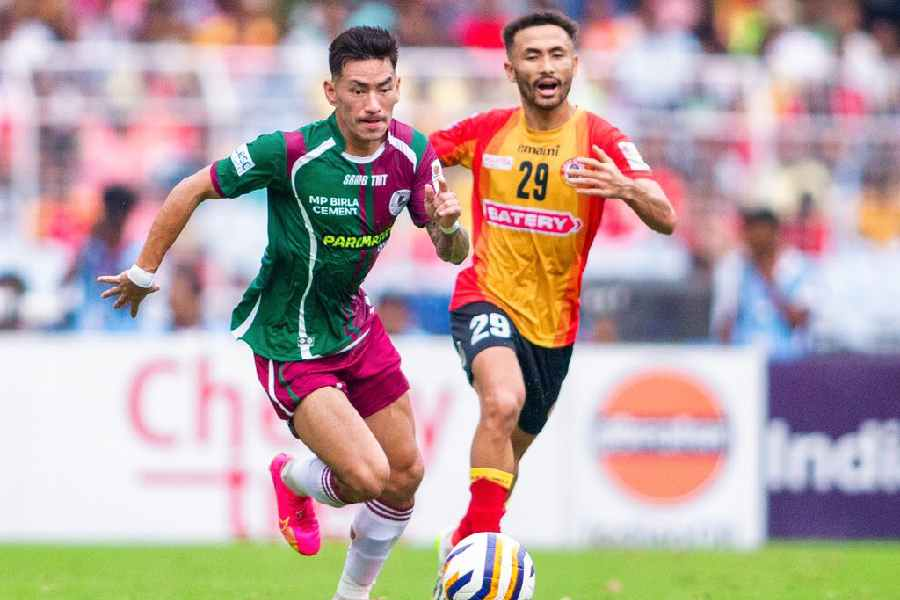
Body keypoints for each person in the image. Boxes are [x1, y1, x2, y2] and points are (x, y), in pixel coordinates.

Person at [98, 26, 469, 600]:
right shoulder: (291, 152)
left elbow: (453, 253)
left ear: (399, 87)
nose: (374, 104)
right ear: (331, 92)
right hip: (289, 336)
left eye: (384, 87)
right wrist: (145, 272)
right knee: (365, 477)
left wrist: (449, 226)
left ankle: (351, 596)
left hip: (354, 323)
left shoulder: (414, 154)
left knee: (405, 476)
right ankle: (291, 476)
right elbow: (191, 188)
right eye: (358, 89)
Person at [428, 9, 676, 580]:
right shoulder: (487, 130)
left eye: (557, 55)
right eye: (533, 55)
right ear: (510, 68)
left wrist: (624, 188)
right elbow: (413, 156)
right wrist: (432, 207)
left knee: (508, 454)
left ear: (575, 65)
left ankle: (463, 544)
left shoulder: (600, 138)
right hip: (485, 294)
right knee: (501, 402)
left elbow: (666, 215)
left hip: (554, 328)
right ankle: (483, 557)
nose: (546, 66)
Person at [711, 206, 813, 358]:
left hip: (786, 359)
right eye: (750, 231)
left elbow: (798, 321)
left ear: (775, 234)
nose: (754, 238)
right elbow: (724, 324)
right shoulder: (734, 267)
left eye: (761, 232)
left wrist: (767, 277)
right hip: (744, 357)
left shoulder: (797, 266)